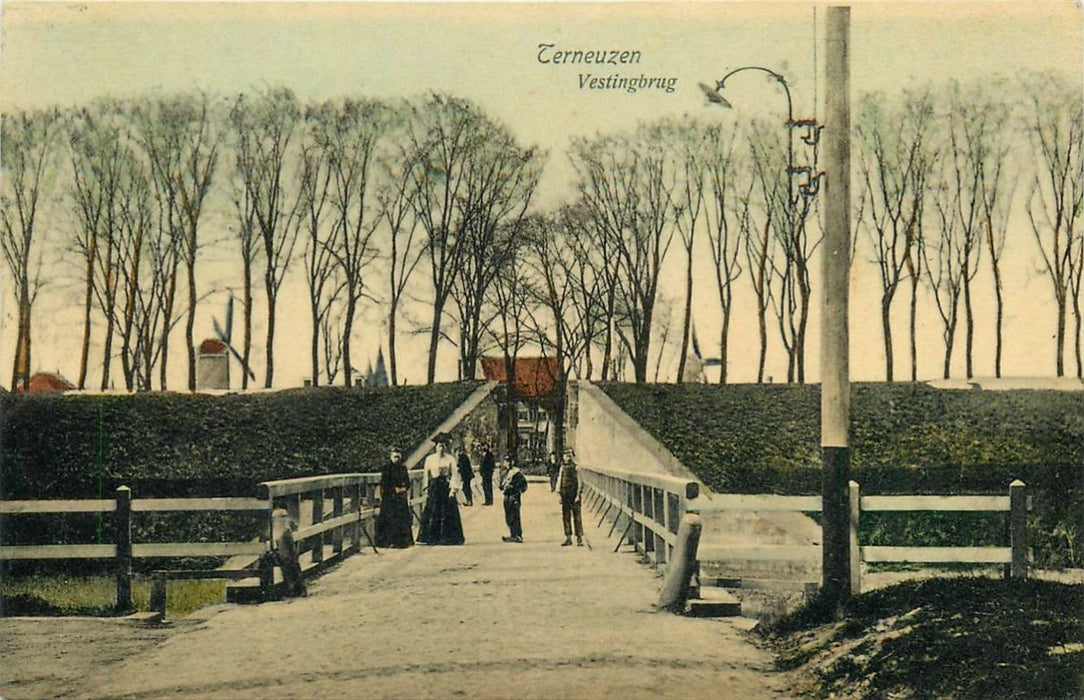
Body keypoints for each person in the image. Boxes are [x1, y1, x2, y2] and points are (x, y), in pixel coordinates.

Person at [417, 434, 465, 545]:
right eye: (439, 446)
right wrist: (425, 488)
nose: (441, 448)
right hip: (434, 487)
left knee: (447, 511)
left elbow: (454, 475)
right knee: (433, 510)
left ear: (446, 447)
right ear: (435, 447)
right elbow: (426, 475)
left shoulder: (450, 459)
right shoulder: (429, 459)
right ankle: (431, 538)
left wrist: (453, 490)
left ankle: (447, 538)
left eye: (443, 446)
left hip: (445, 487)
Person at [374, 445, 414, 548]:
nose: (396, 459)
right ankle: (388, 541)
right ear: (390, 457)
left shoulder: (403, 468)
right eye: (394, 457)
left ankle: (401, 542)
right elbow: (384, 483)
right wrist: (393, 489)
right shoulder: (386, 469)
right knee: (390, 519)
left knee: (402, 519)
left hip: (400, 498)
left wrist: (404, 488)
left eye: (398, 457)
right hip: (389, 498)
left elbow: (407, 482)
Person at [558, 448, 584, 546]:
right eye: (565, 455)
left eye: (569, 455)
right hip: (565, 494)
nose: (567, 458)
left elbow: (580, 482)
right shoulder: (562, 468)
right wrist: (559, 494)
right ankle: (568, 537)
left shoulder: (576, 468)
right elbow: (559, 481)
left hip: (574, 495)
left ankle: (579, 538)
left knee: (577, 516)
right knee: (566, 516)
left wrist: (578, 495)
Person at [499, 455, 528, 543]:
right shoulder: (505, 473)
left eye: (507, 462)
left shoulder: (516, 473)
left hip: (514, 496)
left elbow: (524, 485)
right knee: (509, 516)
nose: (506, 463)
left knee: (515, 516)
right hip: (507, 496)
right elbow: (501, 485)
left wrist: (515, 489)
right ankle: (513, 534)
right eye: (505, 462)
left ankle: (518, 535)